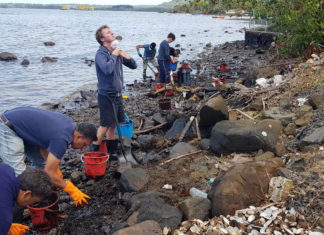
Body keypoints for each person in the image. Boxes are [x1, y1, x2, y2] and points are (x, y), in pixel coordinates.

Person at [0, 107, 97, 207]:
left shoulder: (69, 125)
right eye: (84, 144)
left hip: (22, 126)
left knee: (41, 164)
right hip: (8, 125)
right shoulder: (62, 139)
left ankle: (35, 194)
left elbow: (44, 144)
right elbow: (49, 173)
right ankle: (13, 210)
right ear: (79, 136)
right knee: (18, 175)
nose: (82, 148)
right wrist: (71, 190)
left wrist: (55, 169)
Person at [92, 25, 137, 158]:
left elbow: (134, 66)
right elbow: (107, 69)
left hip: (117, 95)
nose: (112, 33)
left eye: (112, 31)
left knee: (114, 125)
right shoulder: (101, 54)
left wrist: (123, 54)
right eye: (108, 33)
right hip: (106, 95)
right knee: (105, 125)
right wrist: (114, 54)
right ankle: (93, 152)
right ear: (102, 39)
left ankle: (110, 152)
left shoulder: (115, 52)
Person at [0, 163, 53, 235]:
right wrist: (4, 228)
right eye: (34, 201)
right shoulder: (4, 217)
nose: (31, 204)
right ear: (27, 194)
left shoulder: (6, 168)